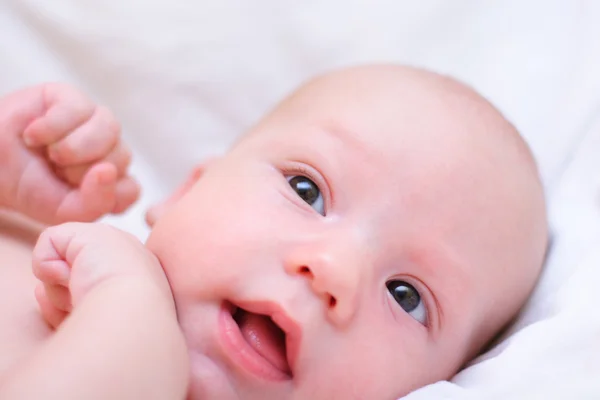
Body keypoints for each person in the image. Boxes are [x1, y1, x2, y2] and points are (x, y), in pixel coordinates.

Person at [0, 65, 549, 400]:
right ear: (188, 191)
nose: (334, 268)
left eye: (406, 297)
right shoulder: (49, 238)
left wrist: (134, 315)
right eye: (307, 190)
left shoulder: (122, 298)